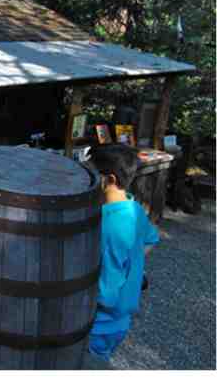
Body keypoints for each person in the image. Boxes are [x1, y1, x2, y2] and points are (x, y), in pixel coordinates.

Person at [88, 144, 160, 361]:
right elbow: (151, 239)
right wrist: (132, 264)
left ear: (109, 179)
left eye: (92, 173)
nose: (88, 179)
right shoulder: (133, 207)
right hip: (122, 319)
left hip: (99, 325)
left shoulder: (108, 225)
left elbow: (106, 292)